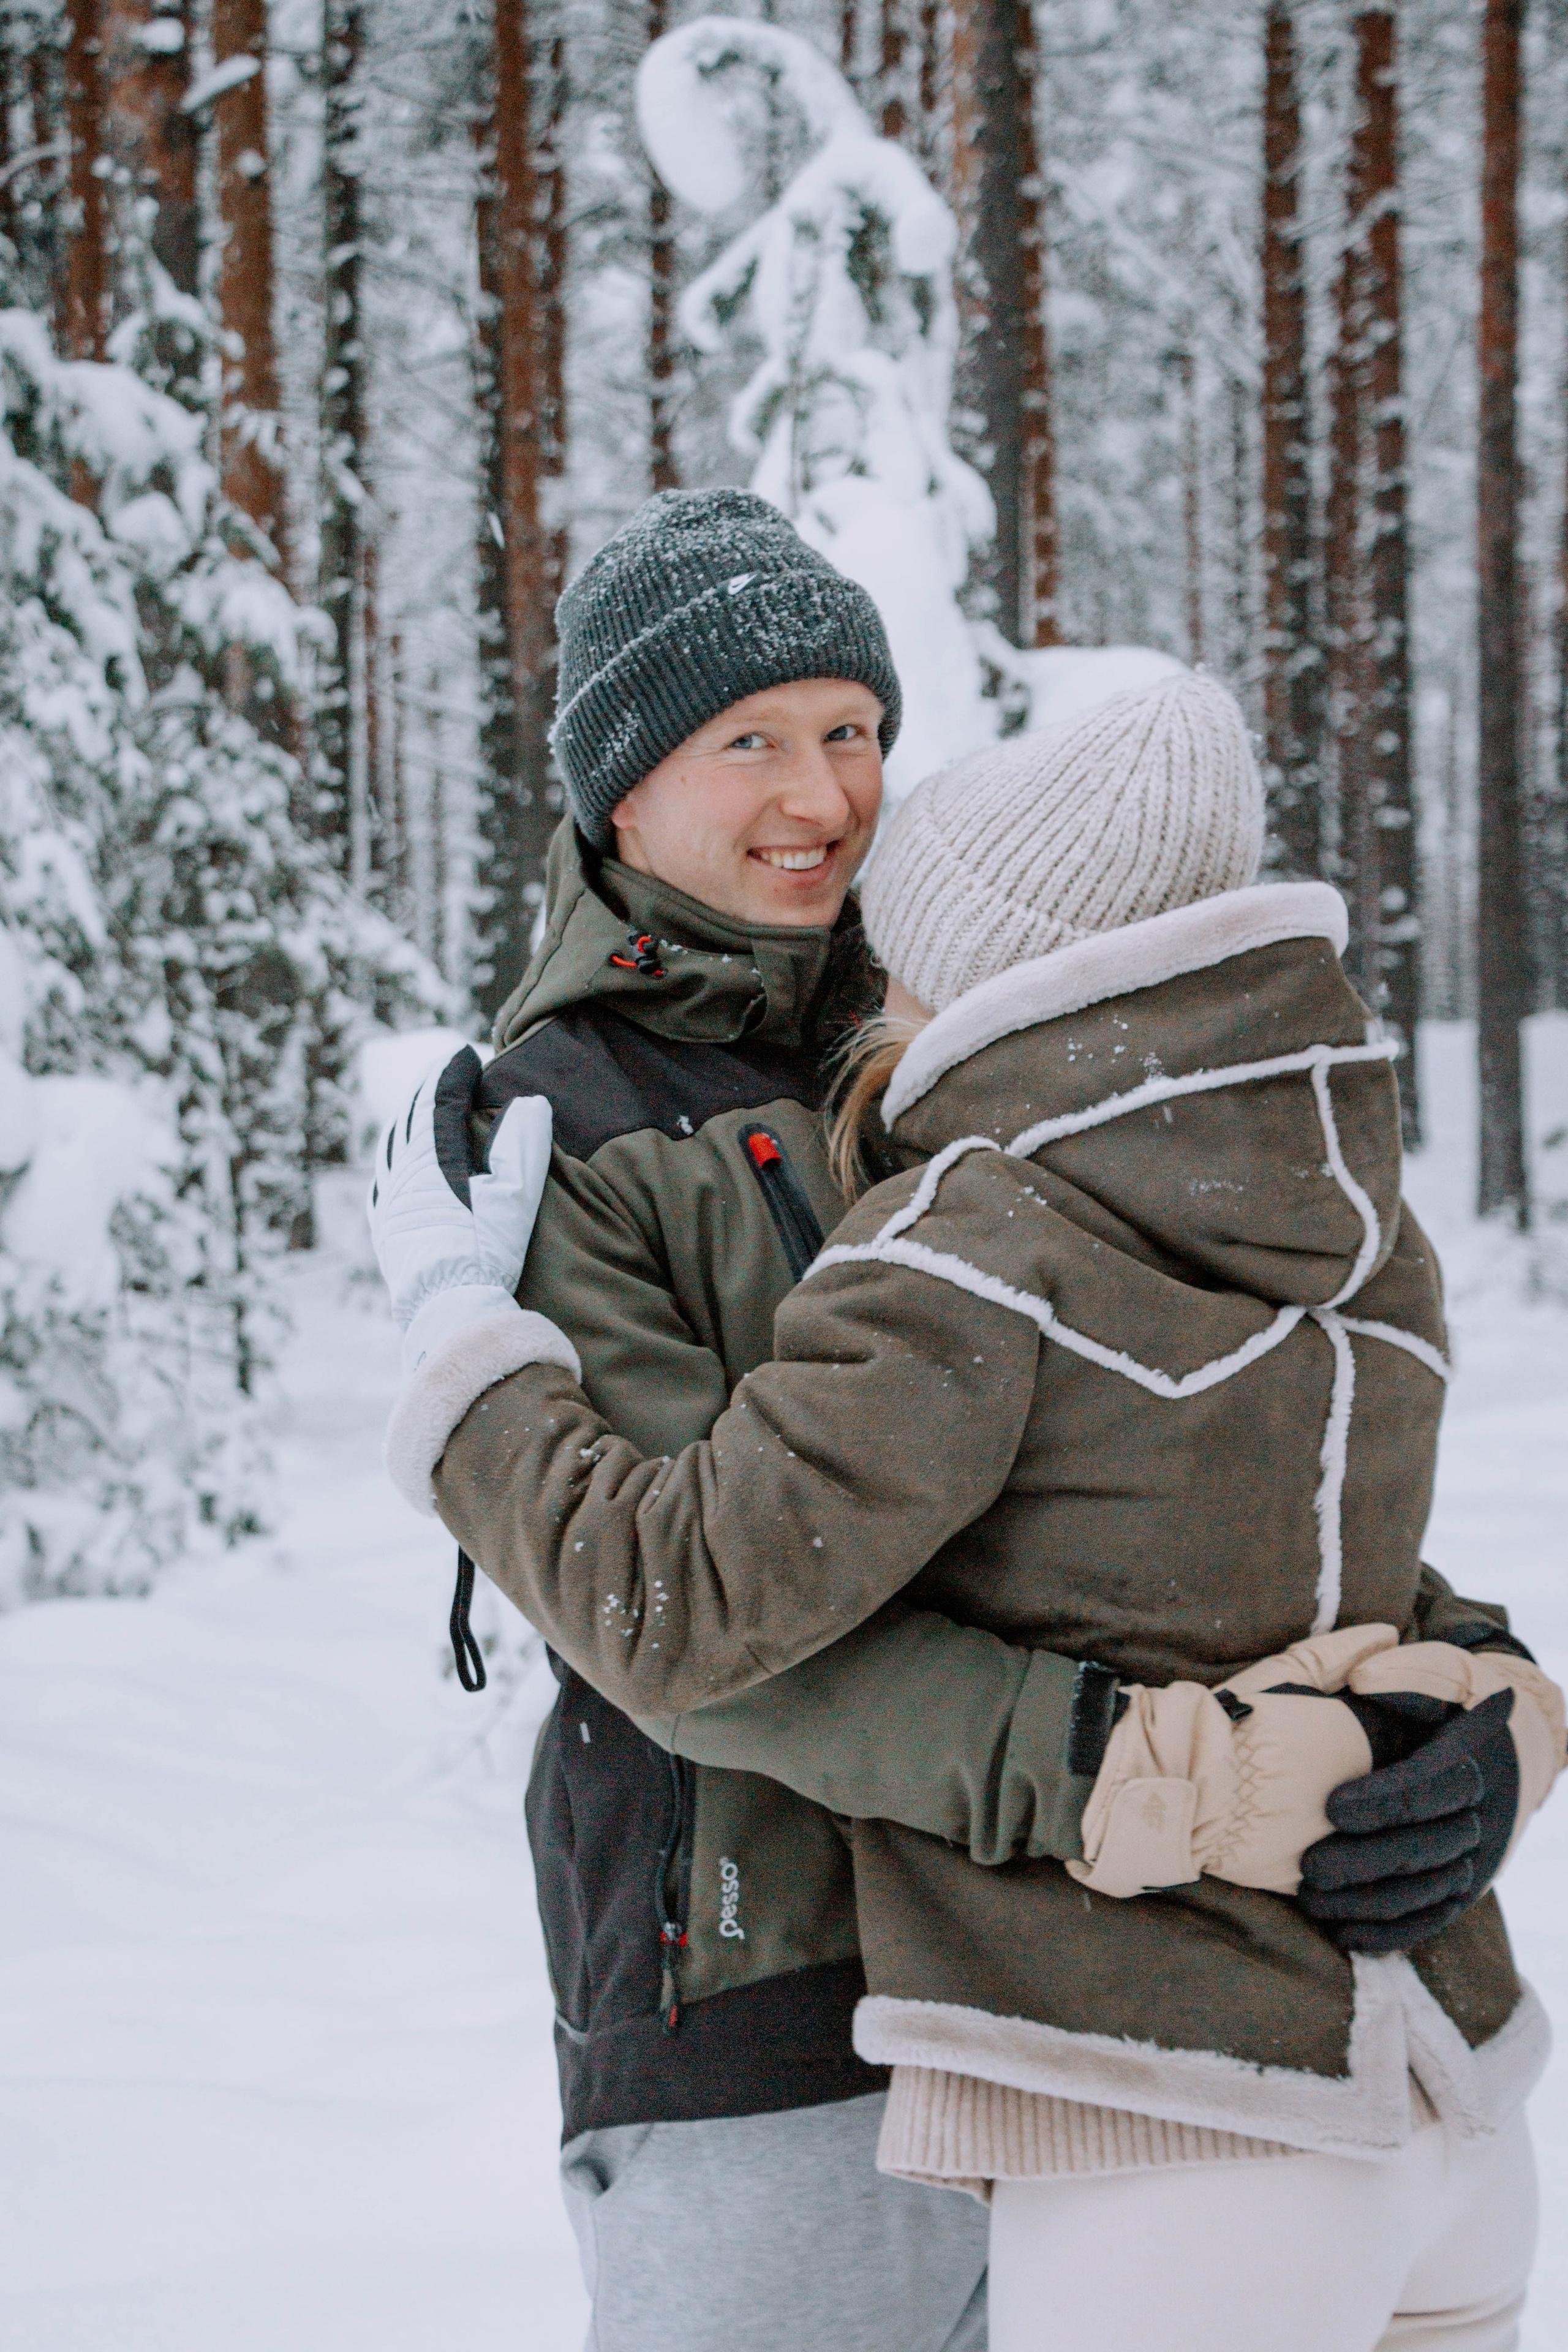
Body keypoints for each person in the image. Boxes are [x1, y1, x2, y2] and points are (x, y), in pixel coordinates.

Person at [372, 665, 1564, 2352]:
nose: (821, 797)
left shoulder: (989, 1198)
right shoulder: (1320, 1181)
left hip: (1142, 2084)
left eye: (852, 733)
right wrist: (1215, 1756)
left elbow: (703, 1590)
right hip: (859, 2027)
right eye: (750, 742)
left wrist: (1489, 1702)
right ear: (620, 792)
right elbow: (735, 1618)